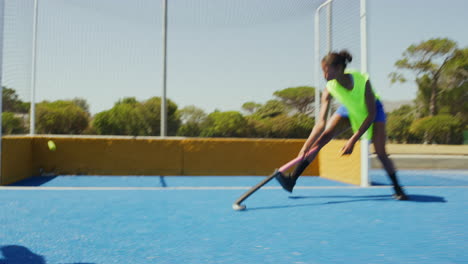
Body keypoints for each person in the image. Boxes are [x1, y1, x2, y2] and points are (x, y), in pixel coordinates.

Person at [276, 50, 408, 200]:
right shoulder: (329, 88)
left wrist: (352, 140)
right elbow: (320, 123)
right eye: (323, 71)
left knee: (380, 152)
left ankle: (398, 189)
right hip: (349, 109)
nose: (324, 75)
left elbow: (370, 115)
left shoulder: (361, 80)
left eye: (327, 71)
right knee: (321, 141)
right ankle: (292, 180)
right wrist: (306, 146)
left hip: (373, 111)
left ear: (338, 69)